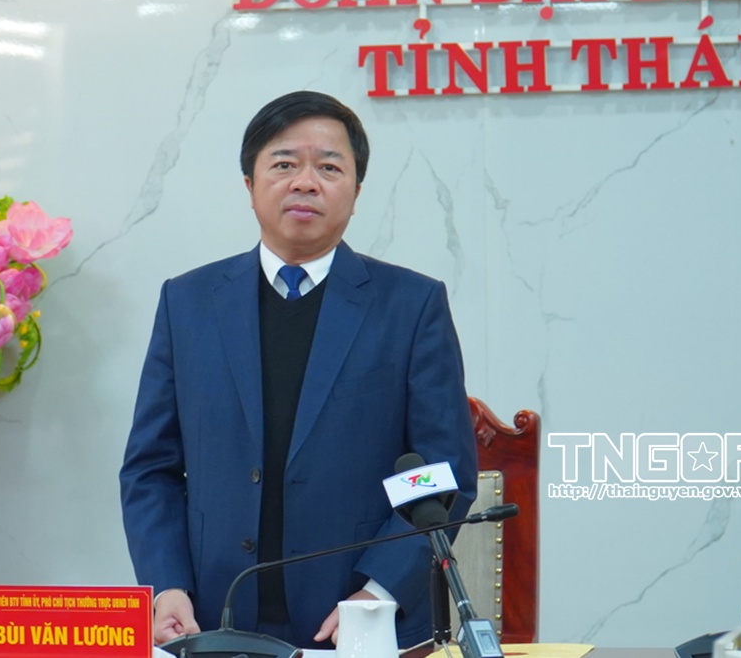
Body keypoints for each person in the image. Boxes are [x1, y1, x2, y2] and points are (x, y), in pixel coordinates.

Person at [119, 90, 477, 650]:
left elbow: (438, 470)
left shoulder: (410, 305)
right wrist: (167, 586)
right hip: (211, 618)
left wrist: (379, 589)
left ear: (356, 192)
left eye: (329, 167)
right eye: (284, 164)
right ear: (250, 185)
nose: (305, 182)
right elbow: (151, 469)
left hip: (358, 623)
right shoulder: (188, 302)